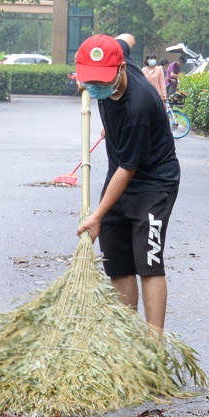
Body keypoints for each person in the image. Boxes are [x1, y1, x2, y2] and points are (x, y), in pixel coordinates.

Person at [74, 32, 181, 332]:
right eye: (89, 81)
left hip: (153, 183)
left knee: (148, 263)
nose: (94, 87)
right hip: (119, 177)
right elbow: (128, 37)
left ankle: (154, 343)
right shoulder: (112, 54)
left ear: (121, 69)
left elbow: (127, 168)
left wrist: (97, 216)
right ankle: (127, 337)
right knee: (118, 263)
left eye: (101, 82)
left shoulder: (138, 105)